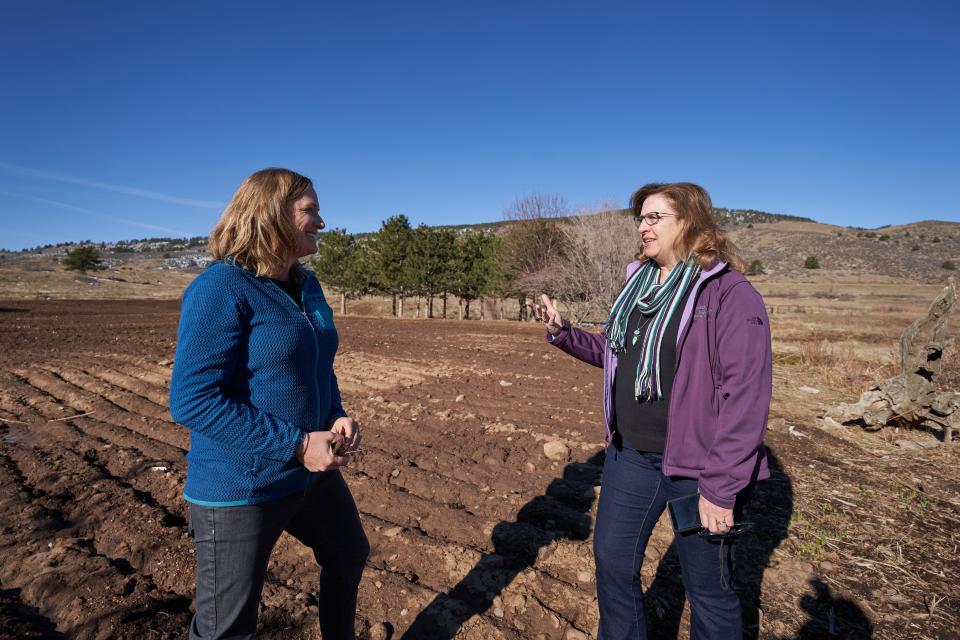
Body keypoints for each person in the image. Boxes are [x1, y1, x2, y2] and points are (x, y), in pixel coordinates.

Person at [529, 182, 772, 639]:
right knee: (613, 565)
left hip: (698, 469)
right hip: (631, 456)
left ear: (690, 222)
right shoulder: (638, 286)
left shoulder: (727, 294)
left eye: (655, 216)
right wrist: (564, 332)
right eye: (640, 217)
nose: (643, 225)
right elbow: (617, 352)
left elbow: (746, 400)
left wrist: (720, 490)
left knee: (709, 592)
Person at [169, 168, 369, 640]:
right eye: (310, 210)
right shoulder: (222, 287)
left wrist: (335, 414)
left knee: (348, 555)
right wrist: (298, 444)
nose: (322, 221)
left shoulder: (308, 286)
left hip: (309, 476)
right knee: (227, 627)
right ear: (271, 215)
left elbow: (319, 365)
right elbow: (192, 400)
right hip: (242, 485)